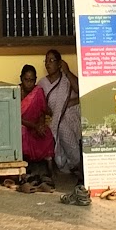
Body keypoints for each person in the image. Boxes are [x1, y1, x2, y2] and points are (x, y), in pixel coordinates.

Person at [39, 48, 82, 179]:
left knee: (64, 121)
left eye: (51, 60)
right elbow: (40, 104)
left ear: (59, 64)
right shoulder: (42, 83)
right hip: (56, 118)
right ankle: (75, 162)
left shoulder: (66, 79)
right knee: (61, 126)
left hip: (71, 115)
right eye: (46, 61)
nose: (48, 64)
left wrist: (67, 72)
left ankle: (75, 163)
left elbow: (80, 91)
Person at [19, 65, 56, 188]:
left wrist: (40, 125)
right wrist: (34, 126)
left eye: (32, 80)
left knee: (47, 133)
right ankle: (26, 169)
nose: (29, 83)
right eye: (26, 80)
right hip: (24, 125)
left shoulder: (38, 91)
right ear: (21, 78)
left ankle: (50, 171)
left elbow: (42, 110)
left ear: (35, 80)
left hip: (35, 125)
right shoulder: (16, 92)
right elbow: (16, 117)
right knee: (22, 133)